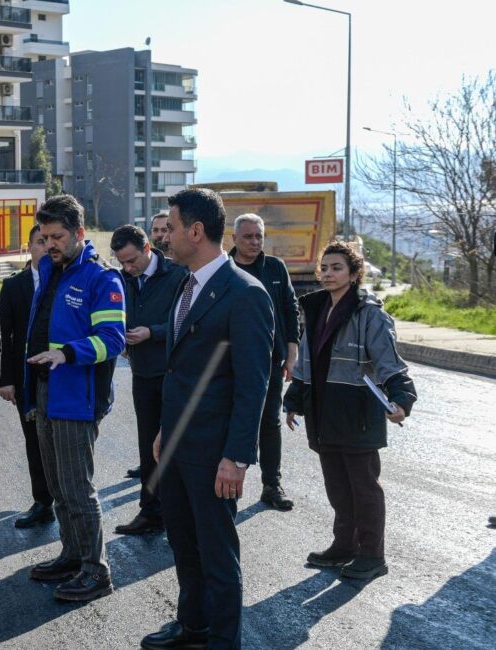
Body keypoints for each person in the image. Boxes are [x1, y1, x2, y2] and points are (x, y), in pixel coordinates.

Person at [141, 188, 273, 650]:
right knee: (183, 544)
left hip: (215, 453)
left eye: (171, 228)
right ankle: (192, 625)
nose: (163, 236)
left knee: (217, 555)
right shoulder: (185, 281)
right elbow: (180, 369)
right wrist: (164, 430)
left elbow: (253, 385)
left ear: (195, 232)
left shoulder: (245, 294)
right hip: (178, 446)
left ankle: (221, 640)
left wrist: (237, 457)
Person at [283, 241, 417, 581]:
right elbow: (306, 364)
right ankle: (344, 546)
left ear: (354, 274)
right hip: (323, 412)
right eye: (324, 268)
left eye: (337, 268)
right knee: (338, 487)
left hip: (357, 414)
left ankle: (372, 555)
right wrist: (294, 398)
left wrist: (402, 397)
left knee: (364, 488)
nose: (328, 274)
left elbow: (389, 363)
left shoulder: (370, 314)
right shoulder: (314, 309)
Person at [24, 194, 126, 603]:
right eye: (45, 236)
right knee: (57, 486)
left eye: (58, 236)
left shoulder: (103, 279)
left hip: (77, 395)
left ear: (80, 234)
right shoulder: (50, 269)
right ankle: (71, 555)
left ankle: (95, 570)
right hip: (46, 390)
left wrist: (66, 353)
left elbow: (112, 340)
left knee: (76, 487)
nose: (49, 243)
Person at [110, 224, 187, 536]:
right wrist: (124, 340)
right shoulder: (123, 278)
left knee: (177, 446)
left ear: (146, 249)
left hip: (172, 374)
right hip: (142, 374)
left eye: (132, 261)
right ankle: (151, 512)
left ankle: (182, 514)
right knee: (148, 448)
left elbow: (186, 325)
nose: (128, 268)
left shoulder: (178, 275)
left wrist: (151, 333)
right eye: (122, 263)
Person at [229, 213, 301, 511]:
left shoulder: (274, 268)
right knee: (229, 421)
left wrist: (292, 350)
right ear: (233, 239)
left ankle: (272, 484)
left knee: (269, 423)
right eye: (248, 236)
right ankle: (226, 483)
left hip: (270, 361)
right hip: (229, 362)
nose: (255, 242)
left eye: (259, 236)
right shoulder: (224, 269)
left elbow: (290, 307)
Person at [0, 224, 54, 528]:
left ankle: (68, 500)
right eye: (39, 242)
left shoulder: (64, 282)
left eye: (49, 242)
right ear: (29, 247)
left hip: (61, 375)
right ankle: (43, 501)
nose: (45, 248)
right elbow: (3, 338)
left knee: (63, 441)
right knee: (34, 441)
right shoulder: (13, 287)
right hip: (25, 379)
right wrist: (5, 378)